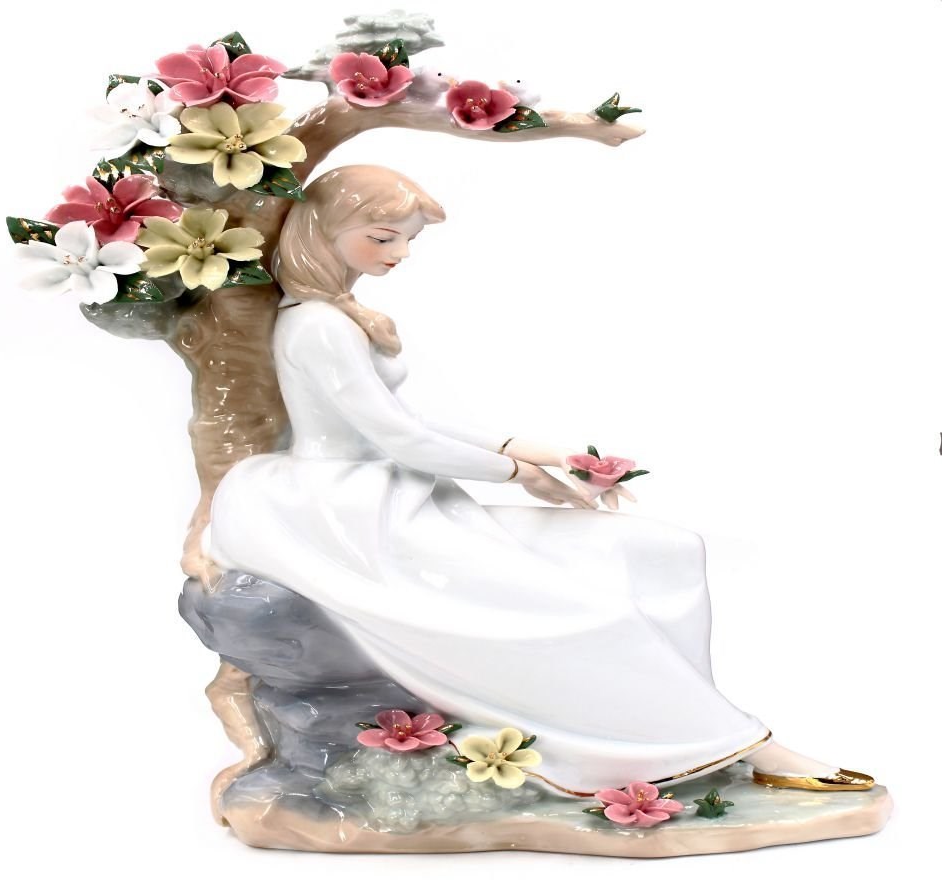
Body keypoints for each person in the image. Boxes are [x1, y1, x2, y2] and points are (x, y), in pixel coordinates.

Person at [205, 164, 873, 794]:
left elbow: (406, 422)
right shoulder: (317, 326)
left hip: (401, 495)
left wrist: (535, 452)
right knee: (585, 609)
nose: (399, 254)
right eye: (383, 238)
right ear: (325, 231)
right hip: (353, 516)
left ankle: (686, 738)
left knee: (661, 550)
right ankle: (736, 745)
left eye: (406, 241)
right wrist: (518, 473)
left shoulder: (338, 315)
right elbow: (396, 437)